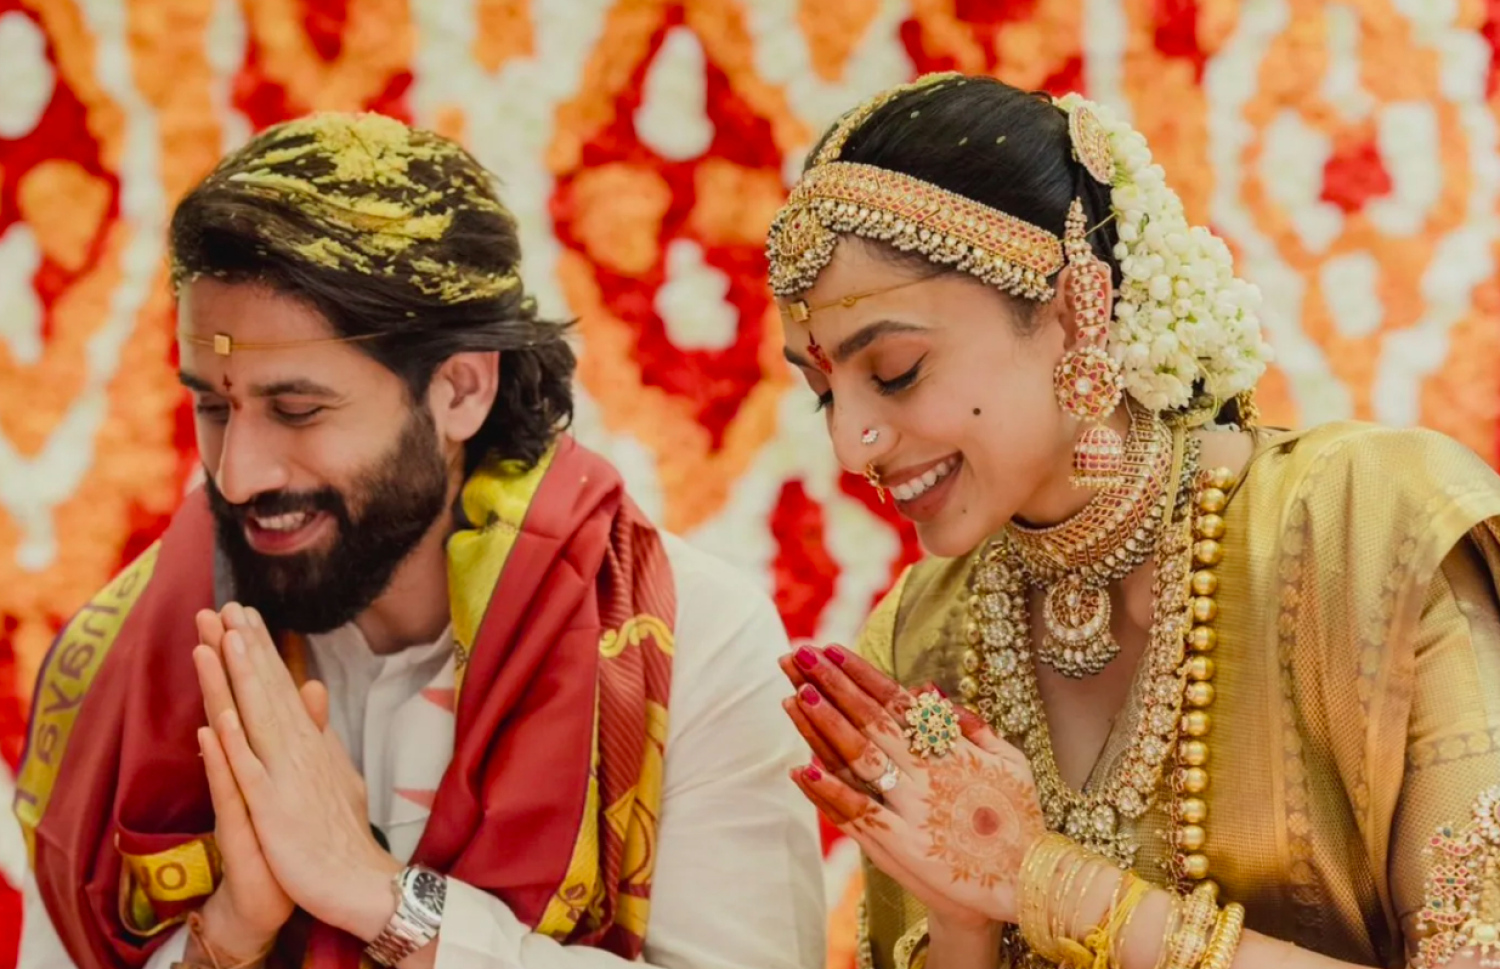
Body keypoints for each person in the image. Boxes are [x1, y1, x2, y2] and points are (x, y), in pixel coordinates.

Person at [15, 112, 825, 969]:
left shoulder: (688, 641)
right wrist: (227, 935)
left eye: (298, 409)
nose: (238, 474)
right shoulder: (123, 660)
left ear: (461, 390)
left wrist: (376, 895)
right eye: (214, 408)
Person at [766, 72, 1500, 969]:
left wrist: (1041, 881)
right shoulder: (920, 642)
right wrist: (962, 921)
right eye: (823, 394)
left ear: (1075, 310)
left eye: (896, 370)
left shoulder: (1368, 532)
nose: (853, 443)